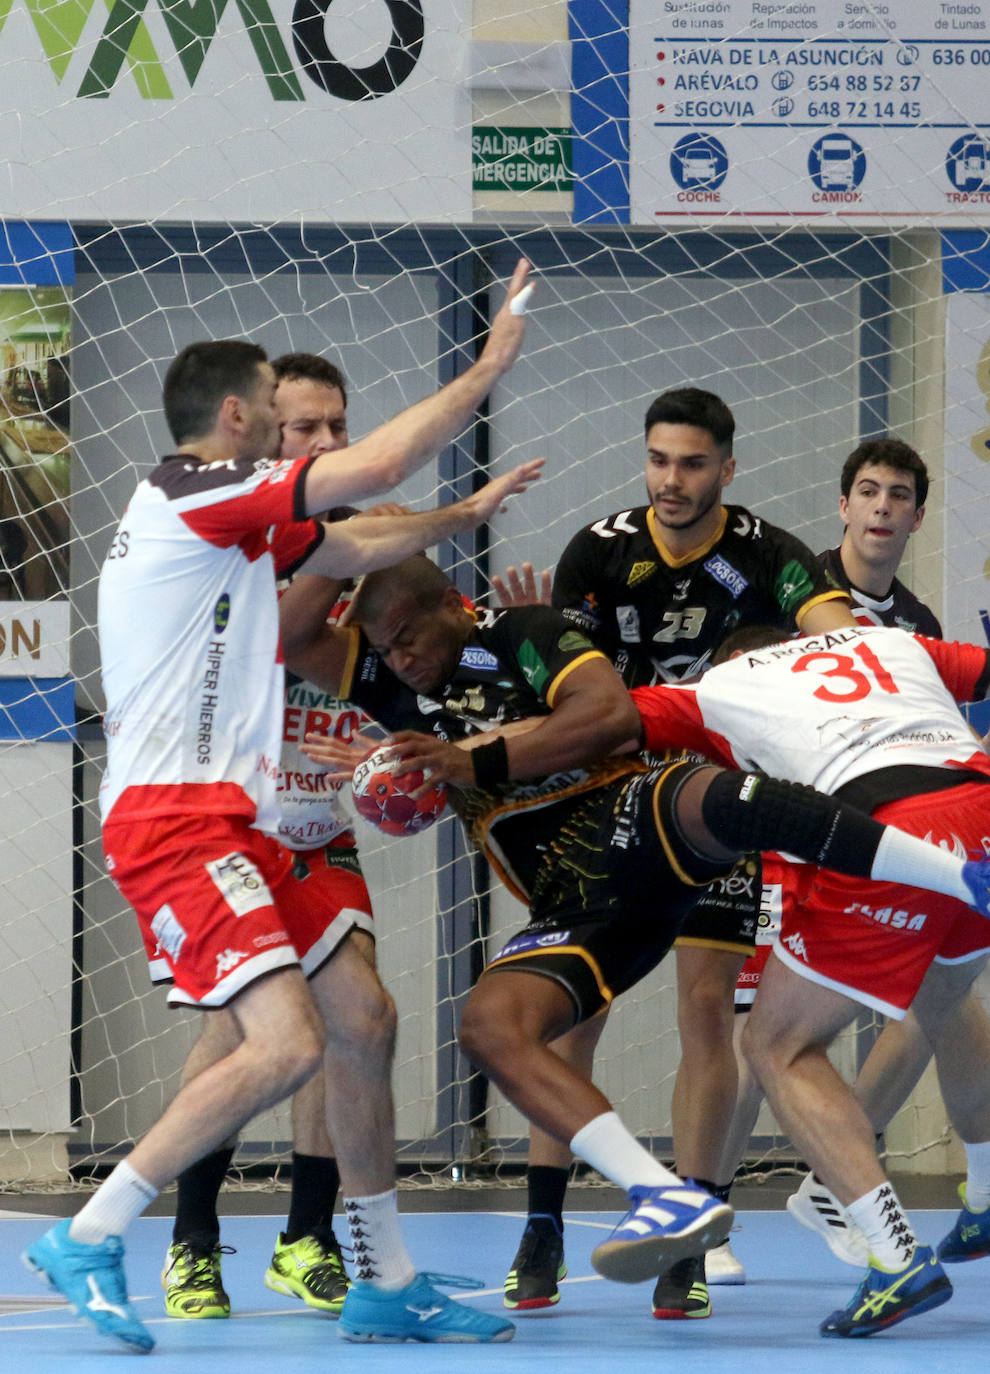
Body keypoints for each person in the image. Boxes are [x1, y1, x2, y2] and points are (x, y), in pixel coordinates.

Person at [22, 259, 542, 1353]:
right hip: (173, 823)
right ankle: (97, 1230)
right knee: (284, 1045)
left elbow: (352, 540)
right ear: (234, 415)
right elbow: (380, 465)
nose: (291, 429)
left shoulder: (230, 522)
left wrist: (466, 511)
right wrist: (490, 365)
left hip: (237, 822)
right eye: (276, 407)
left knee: (363, 1021)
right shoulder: (191, 492)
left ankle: (384, 1280)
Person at [286, 555, 990, 1325]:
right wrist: (345, 552)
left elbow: (611, 714)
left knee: (730, 868)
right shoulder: (893, 643)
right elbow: (297, 633)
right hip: (579, 901)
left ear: (452, 606)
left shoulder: (569, 645)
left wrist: (471, 755)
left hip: (639, 823)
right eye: (384, 649)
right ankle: (664, 1198)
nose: (401, 658)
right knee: (490, 1026)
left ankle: (873, 1221)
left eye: (408, 637)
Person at [494, 386, 857, 1316]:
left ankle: (691, 1241)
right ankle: (541, 1229)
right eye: (658, 460)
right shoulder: (600, 552)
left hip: (716, 810)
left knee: (708, 1013)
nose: (670, 480)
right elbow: (559, 692)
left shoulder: (768, 554)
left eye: (691, 464)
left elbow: (836, 637)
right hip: (610, 807)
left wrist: (862, 660)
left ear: (726, 470)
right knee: (570, 1017)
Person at [632, 620, 990, 1335]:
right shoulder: (889, 638)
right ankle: (983, 1193)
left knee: (775, 1047)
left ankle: (895, 1255)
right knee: (944, 1001)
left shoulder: (723, 685)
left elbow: (597, 718)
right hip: (981, 806)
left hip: (894, 830)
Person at [719, 438, 989, 1269]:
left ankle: (847, 1190)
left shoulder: (918, 628)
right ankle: (706, 1216)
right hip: (785, 834)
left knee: (938, 1001)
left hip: (894, 840)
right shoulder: (794, 597)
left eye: (897, 495)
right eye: (866, 492)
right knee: (755, 1038)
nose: (880, 507)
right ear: (843, 507)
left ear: (915, 515)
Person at [161, 352, 384, 1320]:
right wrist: (364, 547)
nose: (329, 444)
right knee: (238, 1029)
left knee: (362, 1020)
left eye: (340, 427)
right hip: (231, 830)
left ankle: (307, 1235)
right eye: (308, 431)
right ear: (261, 435)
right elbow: (280, 641)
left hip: (318, 822)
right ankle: (192, 1241)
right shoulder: (232, 543)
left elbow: (390, 673)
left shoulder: (361, 550)